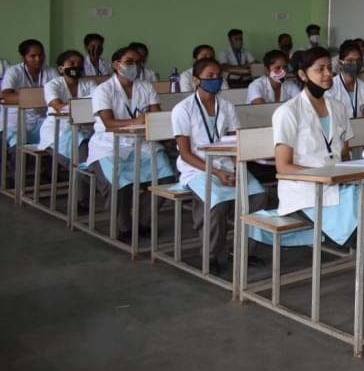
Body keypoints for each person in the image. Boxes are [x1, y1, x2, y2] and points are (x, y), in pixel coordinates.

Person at [273, 46, 364, 312]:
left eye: (329, 68)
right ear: (302, 75)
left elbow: (343, 153)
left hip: (338, 183)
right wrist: (324, 175)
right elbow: (283, 166)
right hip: (304, 190)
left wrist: (356, 169)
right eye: (320, 69)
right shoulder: (288, 112)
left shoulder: (337, 108)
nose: (327, 74)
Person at [172, 58, 268, 273]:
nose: (215, 80)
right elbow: (185, 154)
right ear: (196, 80)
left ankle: (244, 251)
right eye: (210, 76)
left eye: (218, 76)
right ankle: (211, 255)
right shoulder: (183, 109)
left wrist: (236, 168)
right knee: (216, 204)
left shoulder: (226, 106)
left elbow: (236, 142)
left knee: (258, 197)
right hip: (197, 167)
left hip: (226, 164)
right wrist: (216, 172)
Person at [86, 47, 174, 241]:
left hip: (142, 142)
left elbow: (155, 116)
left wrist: (149, 121)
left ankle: (143, 221)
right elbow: (109, 123)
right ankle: (124, 226)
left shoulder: (146, 87)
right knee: (119, 183)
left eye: (138, 62)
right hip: (109, 144)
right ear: (116, 64)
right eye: (129, 62)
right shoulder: (103, 90)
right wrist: (137, 121)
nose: (135, 66)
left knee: (166, 177)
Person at [40, 50, 96, 163]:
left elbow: (99, 104)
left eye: (79, 64)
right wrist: (84, 107)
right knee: (81, 146)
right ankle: (81, 171)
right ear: (61, 69)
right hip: (58, 129)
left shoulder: (90, 83)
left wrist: (79, 108)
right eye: (72, 63)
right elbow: (59, 107)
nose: (76, 66)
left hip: (85, 127)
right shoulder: (52, 85)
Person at [1, 39, 58, 149]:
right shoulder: (14, 71)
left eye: (41, 55)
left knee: (57, 138)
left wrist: (28, 97)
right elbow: (6, 95)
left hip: (41, 118)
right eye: (33, 56)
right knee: (17, 146)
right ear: (23, 57)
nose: (38, 59)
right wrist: (36, 98)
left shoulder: (51, 72)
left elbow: (60, 93)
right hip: (17, 119)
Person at [327, 42, 364, 118]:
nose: (355, 64)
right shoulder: (330, 88)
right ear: (340, 63)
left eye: (358, 60)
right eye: (350, 60)